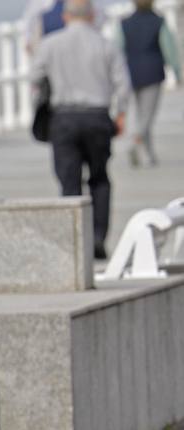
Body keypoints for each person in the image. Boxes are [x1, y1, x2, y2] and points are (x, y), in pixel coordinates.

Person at [31, 0, 130, 260]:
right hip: (97, 116)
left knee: (69, 182)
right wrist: (121, 114)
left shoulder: (51, 44)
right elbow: (122, 83)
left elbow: (34, 77)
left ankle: (74, 242)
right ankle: (97, 237)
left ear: (65, 16)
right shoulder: (105, 44)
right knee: (99, 179)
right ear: (91, 16)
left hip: (63, 118)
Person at [117, 0, 182, 167]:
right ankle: (134, 142)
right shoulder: (158, 21)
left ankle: (149, 154)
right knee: (147, 116)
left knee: (140, 114)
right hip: (153, 73)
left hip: (131, 73)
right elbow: (169, 48)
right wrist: (176, 71)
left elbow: (118, 49)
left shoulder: (124, 23)